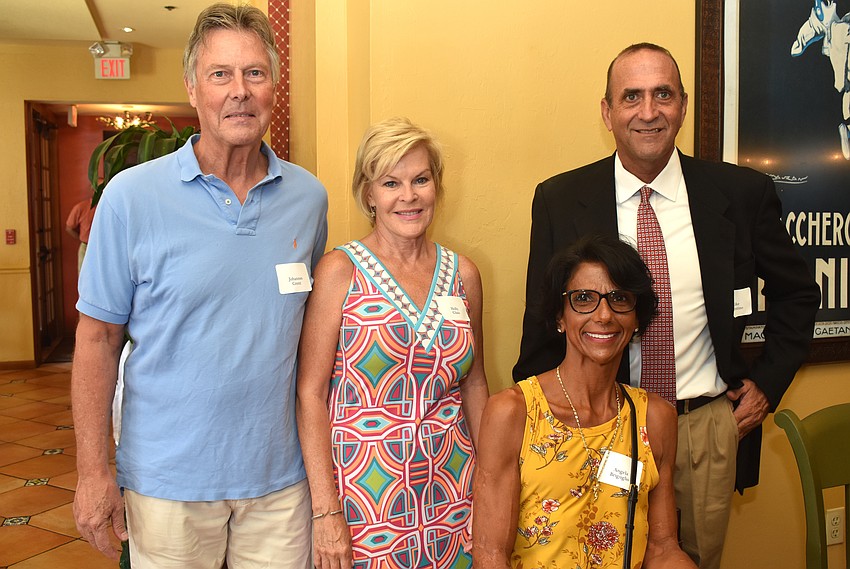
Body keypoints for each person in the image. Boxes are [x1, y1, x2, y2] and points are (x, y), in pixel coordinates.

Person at [514, 43, 821, 569]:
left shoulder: (742, 193)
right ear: (608, 112)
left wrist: (767, 385)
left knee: (690, 561)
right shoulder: (561, 199)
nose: (648, 111)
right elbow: (545, 321)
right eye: (631, 96)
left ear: (682, 104)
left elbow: (798, 294)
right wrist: (543, 430)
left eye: (662, 94)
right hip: (599, 426)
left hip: (700, 429)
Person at [71, 4, 328, 568]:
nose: (240, 90)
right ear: (192, 88)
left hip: (280, 483)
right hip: (168, 486)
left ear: (273, 88)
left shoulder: (308, 200)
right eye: (221, 74)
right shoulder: (130, 198)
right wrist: (94, 473)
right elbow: (96, 341)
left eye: (254, 73)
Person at [296, 117, 489, 569]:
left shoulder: (463, 275)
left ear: (436, 186)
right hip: (364, 499)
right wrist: (326, 511)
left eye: (421, 179)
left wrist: (491, 485)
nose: (409, 196)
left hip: (455, 490)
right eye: (391, 182)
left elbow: (475, 383)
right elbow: (310, 394)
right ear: (369, 194)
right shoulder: (340, 271)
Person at [474, 235, 695, 569]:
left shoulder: (655, 417)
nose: (604, 315)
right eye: (583, 299)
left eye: (619, 299)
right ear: (560, 317)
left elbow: (663, 549)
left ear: (636, 319)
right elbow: (490, 555)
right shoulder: (513, 412)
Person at [65, 197, 95, 274]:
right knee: (84, 277)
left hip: (105, 248)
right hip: (85, 246)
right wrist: (81, 238)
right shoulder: (81, 207)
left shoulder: (109, 207)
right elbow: (69, 228)